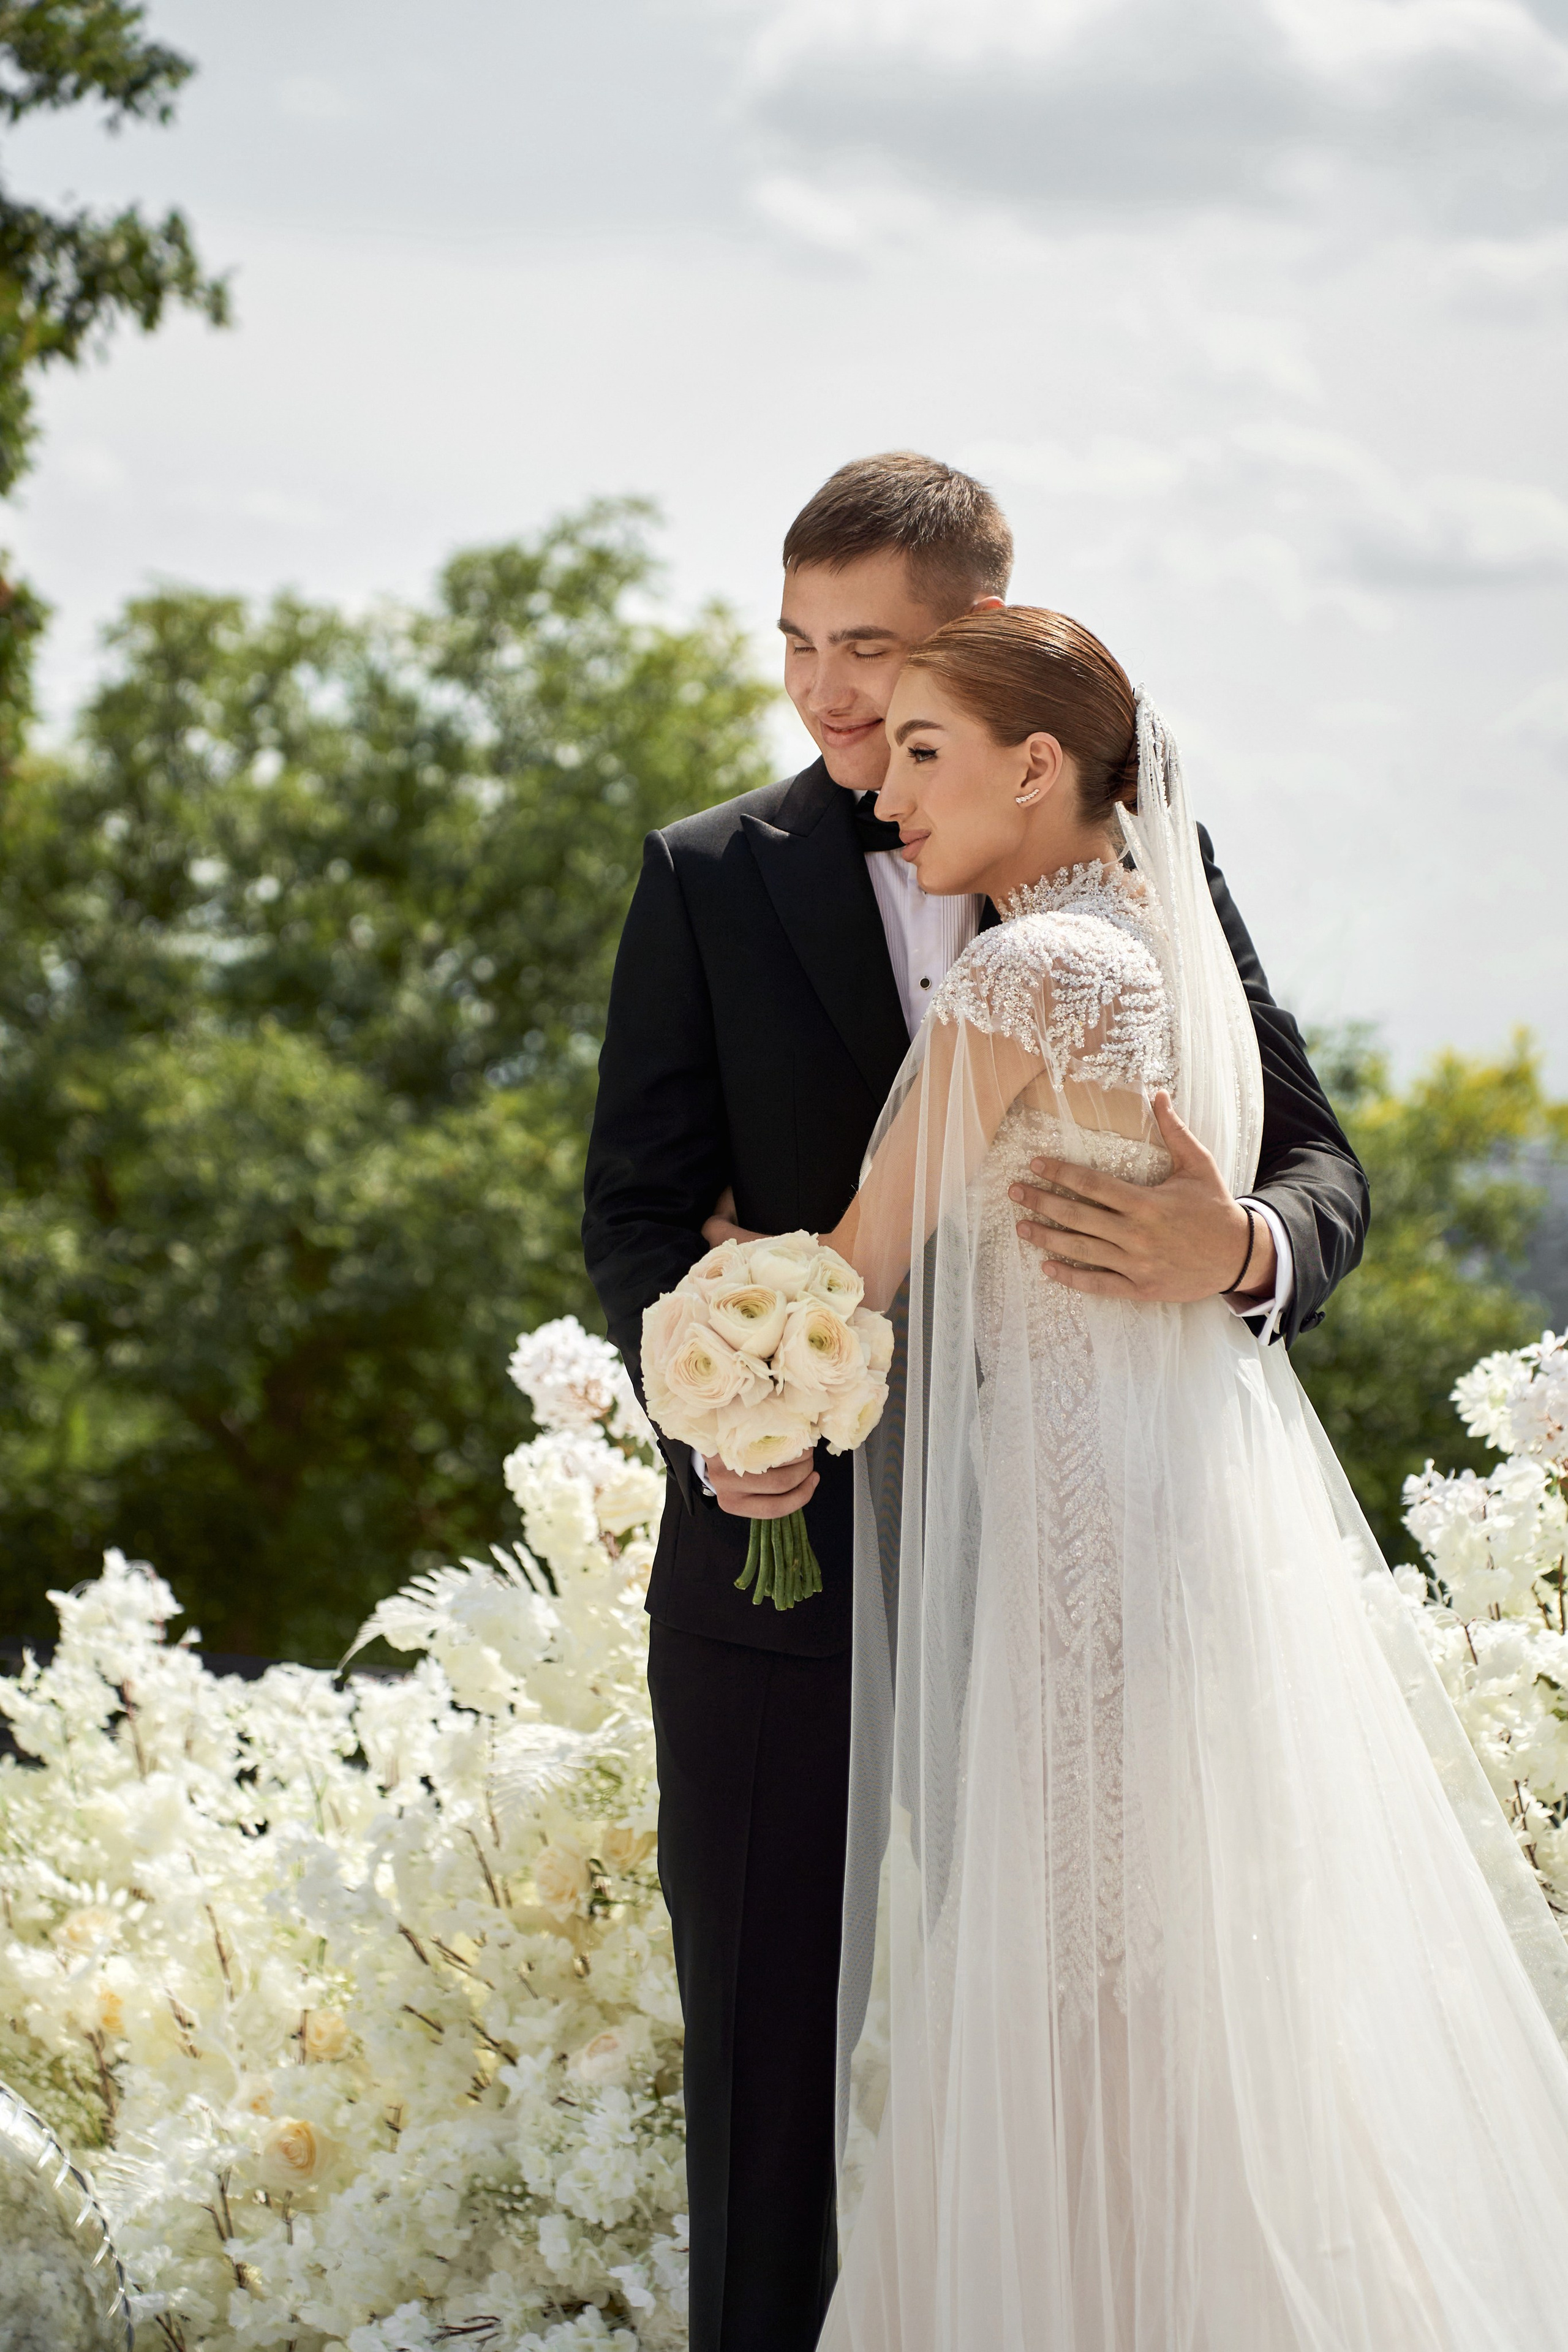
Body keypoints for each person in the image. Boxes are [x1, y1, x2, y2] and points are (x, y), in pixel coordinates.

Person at [581, 454, 1368, 2352]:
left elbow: (1316, 1158)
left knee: (1106, 2004)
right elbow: (633, 1210)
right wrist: (726, 1399)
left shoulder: (1126, 887)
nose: (834, 697)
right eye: (799, 647)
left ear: (993, 655)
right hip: (794, 1572)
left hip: (1076, 1552)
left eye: (880, 654)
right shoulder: (707, 877)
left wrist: (1240, 1251)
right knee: (779, 2070)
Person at [813, 607, 1568, 2350]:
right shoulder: (1138, 941)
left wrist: (737, 1346)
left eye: (924, 755)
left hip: (1082, 1551)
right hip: (1170, 1521)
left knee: (1082, 1987)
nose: (887, 797)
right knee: (1172, 1981)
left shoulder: (1026, 973)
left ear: (1037, 767)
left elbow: (858, 1262)